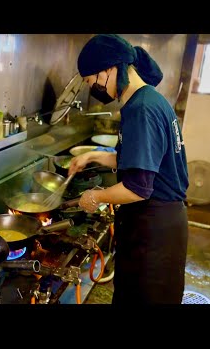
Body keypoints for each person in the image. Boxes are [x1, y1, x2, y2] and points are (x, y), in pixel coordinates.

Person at [68, 34, 189, 305]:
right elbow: (137, 161)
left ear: (109, 69)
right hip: (161, 225)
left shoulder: (141, 109)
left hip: (153, 233)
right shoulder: (149, 100)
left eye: (91, 81)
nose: (94, 89)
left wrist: (95, 197)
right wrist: (92, 156)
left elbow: (137, 187)